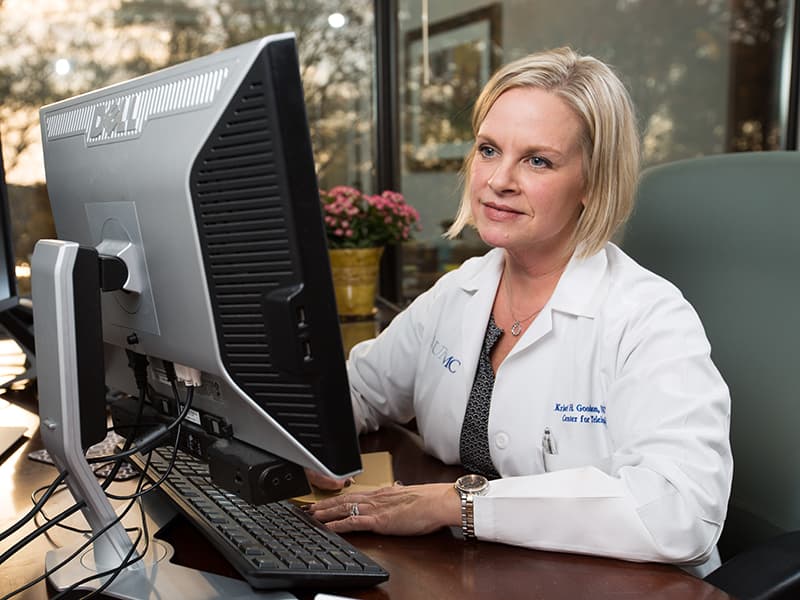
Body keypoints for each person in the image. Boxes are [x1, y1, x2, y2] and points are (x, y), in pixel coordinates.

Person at [308, 47, 732, 576]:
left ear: (593, 183)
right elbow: (359, 390)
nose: (498, 180)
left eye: (538, 160)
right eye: (489, 150)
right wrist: (311, 443)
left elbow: (680, 510)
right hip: (485, 574)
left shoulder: (649, 317)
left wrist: (457, 504)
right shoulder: (460, 291)